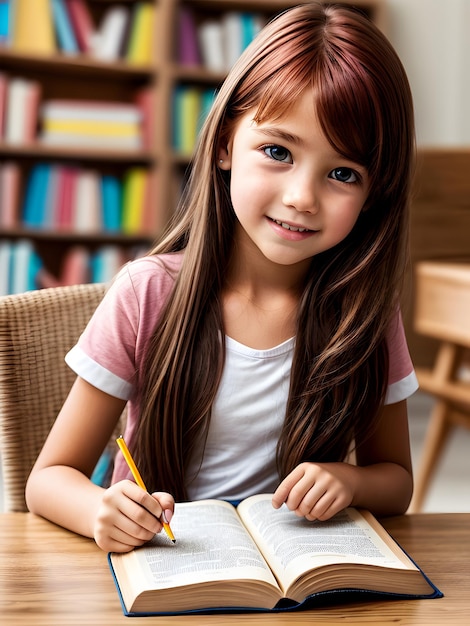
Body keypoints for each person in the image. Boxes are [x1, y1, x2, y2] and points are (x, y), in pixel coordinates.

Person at [26, 2, 418, 554]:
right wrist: (100, 509)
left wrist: (350, 481)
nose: (301, 198)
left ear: (375, 191)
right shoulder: (148, 292)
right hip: (161, 570)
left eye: (342, 174)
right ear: (226, 142)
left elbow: (395, 480)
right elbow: (48, 479)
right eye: (278, 151)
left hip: (295, 584)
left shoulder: (367, 313)